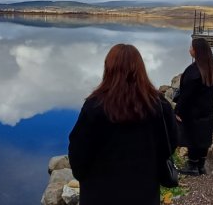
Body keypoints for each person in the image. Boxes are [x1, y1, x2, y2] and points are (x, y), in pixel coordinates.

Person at [68, 44, 177, 205]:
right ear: (140, 69)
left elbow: (78, 152)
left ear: (108, 69)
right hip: (144, 192)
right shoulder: (158, 104)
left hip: (99, 193)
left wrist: (83, 175)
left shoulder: (94, 105)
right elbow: (170, 143)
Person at [174, 37, 213, 176]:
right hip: (205, 110)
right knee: (203, 136)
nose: (189, 50)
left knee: (192, 136)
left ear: (197, 51)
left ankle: (192, 166)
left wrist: (178, 111)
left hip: (192, 111)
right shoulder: (209, 68)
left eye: (191, 48)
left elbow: (186, 95)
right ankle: (201, 165)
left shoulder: (194, 71)